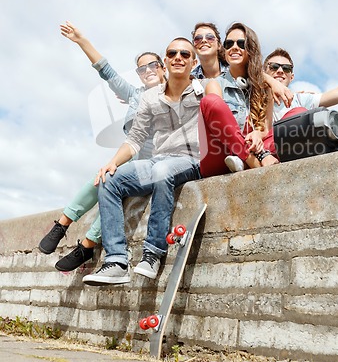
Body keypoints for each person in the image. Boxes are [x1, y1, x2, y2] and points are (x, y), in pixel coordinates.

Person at [38, 22, 166, 272]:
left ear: (162, 68)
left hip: (153, 164)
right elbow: (107, 71)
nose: (148, 70)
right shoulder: (135, 95)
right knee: (100, 178)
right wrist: (81, 41)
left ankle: (86, 246)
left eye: (153, 64)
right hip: (130, 157)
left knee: (113, 186)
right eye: (142, 68)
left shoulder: (175, 91)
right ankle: (62, 224)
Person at [82, 37, 202, 285]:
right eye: (172, 53)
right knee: (110, 179)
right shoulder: (150, 98)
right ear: (165, 62)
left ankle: (153, 252)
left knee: (163, 170)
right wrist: (112, 162)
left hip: (190, 160)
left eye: (185, 54)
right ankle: (116, 261)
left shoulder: (204, 89)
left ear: (193, 61)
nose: (178, 57)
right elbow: (135, 139)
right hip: (158, 159)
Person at [199, 22, 280, 177]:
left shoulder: (264, 87)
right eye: (229, 44)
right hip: (221, 154)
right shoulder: (215, 84)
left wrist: (257, 133)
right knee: (210, 102)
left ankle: (243, 162)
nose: (234, 47)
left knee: (296, 115)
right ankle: (253, 163)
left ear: (251, 49)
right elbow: (220, 129)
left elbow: (265, 128)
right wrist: (259, 154)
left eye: (241, 43)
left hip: (254, 148)